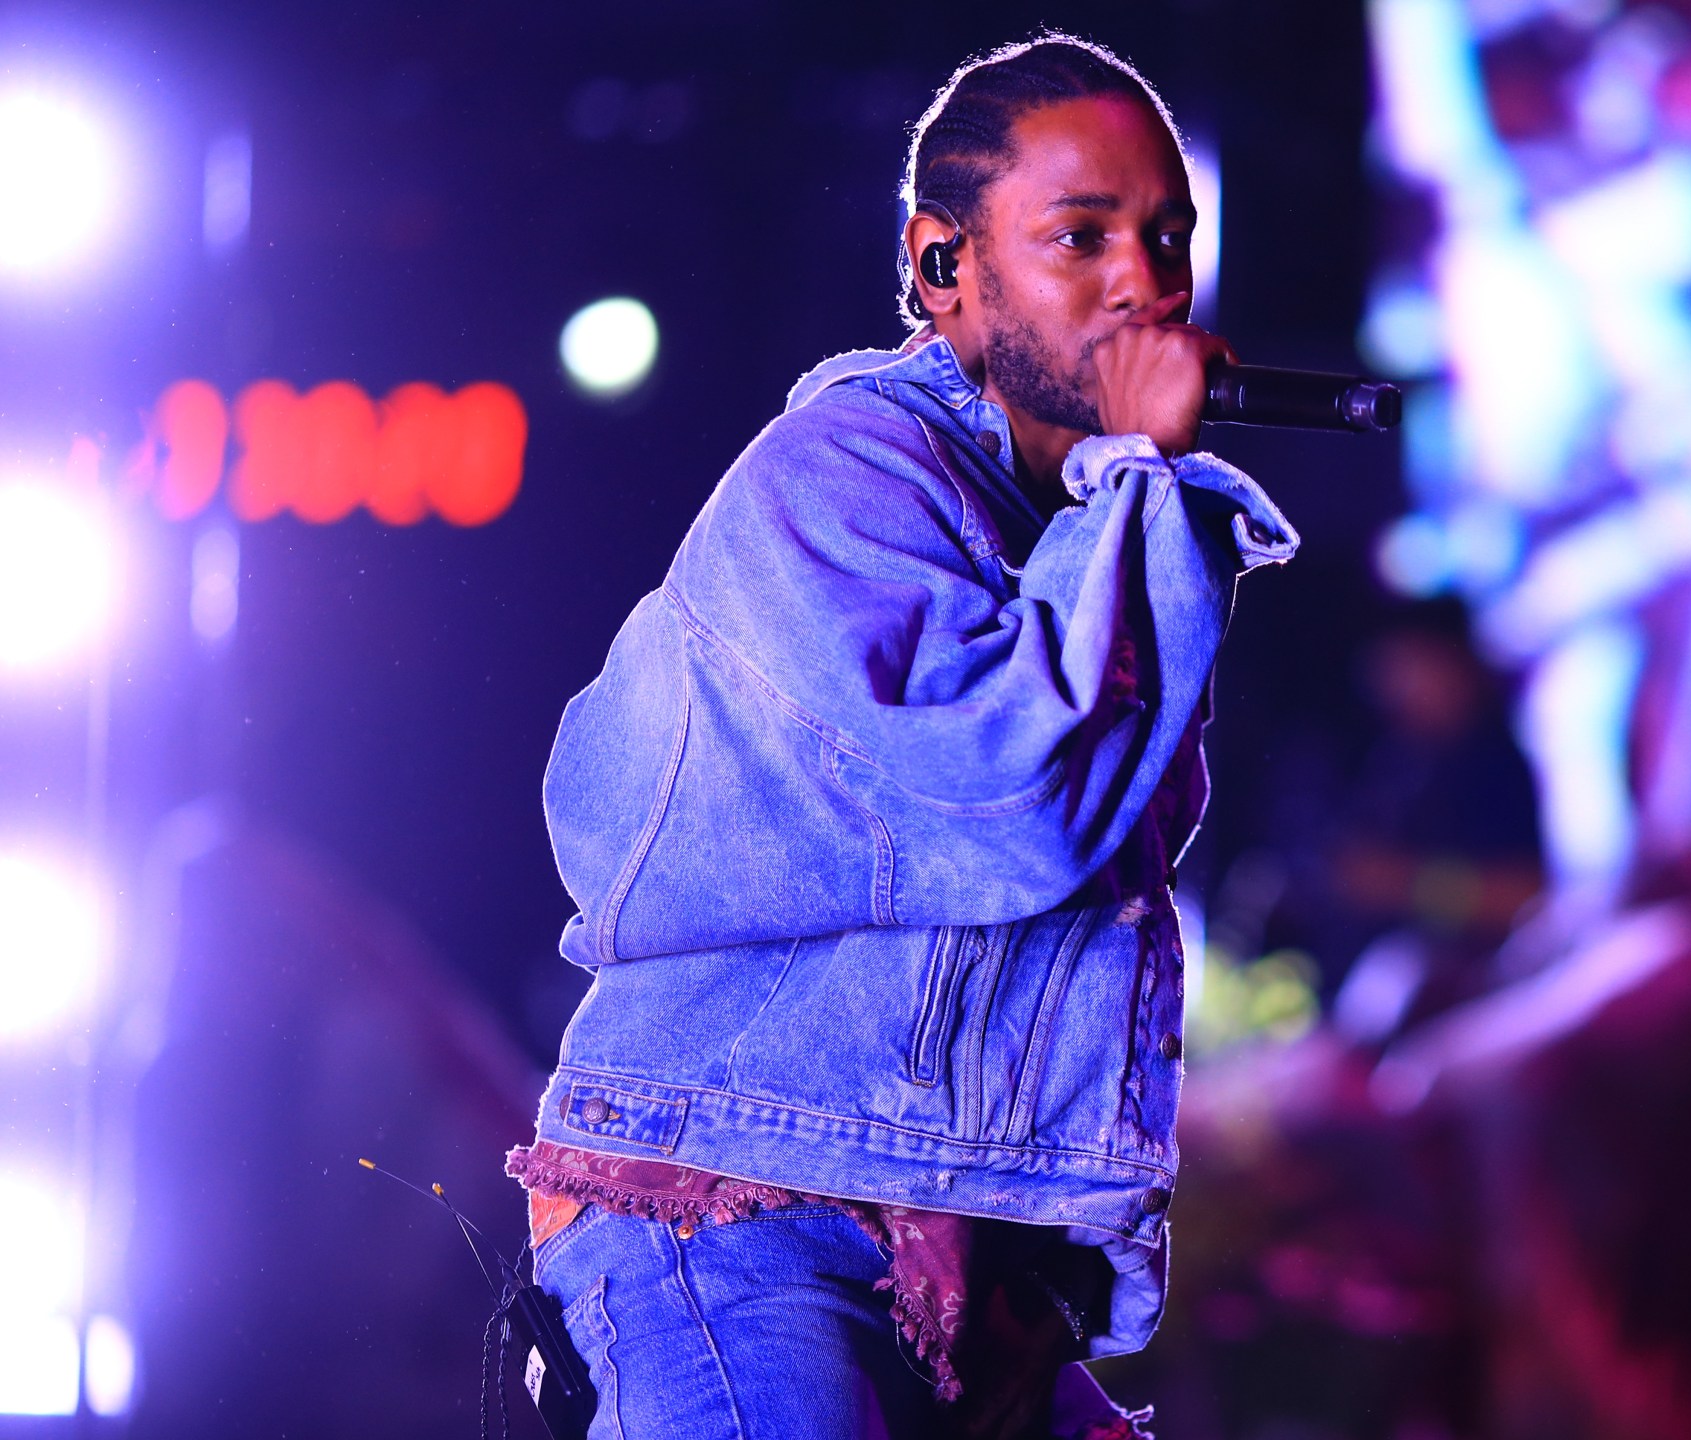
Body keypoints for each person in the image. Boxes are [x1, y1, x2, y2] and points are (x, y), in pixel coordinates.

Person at [507, 34, 1297, 1439]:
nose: (1146, 283)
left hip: (948, 1227)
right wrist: (1138, 478)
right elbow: (1017, 799)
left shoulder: (1085, 524)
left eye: (1167, 236)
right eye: (1081, 236)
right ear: (945, 268)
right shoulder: (841, 476)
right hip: (737, 1214)